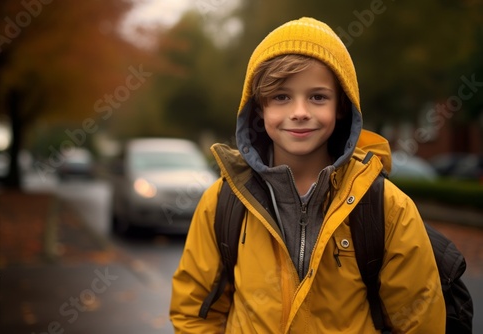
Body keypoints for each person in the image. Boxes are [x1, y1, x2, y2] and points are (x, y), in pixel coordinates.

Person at [170, 17, 445, 333]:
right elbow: (193, 313)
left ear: (341, 106)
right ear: (259, 108)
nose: (299, 112)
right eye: (281, 97)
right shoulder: (223, 202)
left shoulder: (387, 208)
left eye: (317, 96)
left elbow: (420, 322)